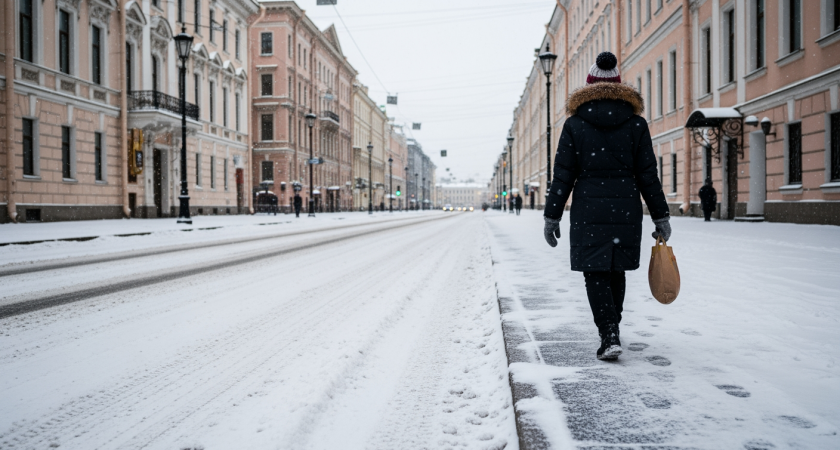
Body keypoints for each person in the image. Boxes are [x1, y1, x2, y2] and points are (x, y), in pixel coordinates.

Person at [542, 52, 671, 361]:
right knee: (617, 270)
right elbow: (648, 174)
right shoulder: (636, 123)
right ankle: (612, 330)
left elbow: (563, 174)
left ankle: (608, 332)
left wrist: (552, 214)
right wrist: (661, 214)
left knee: (595, 271)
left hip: (588, 208)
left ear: (588, 85)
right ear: (618, 84)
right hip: (626, 206)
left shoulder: (574, 124)